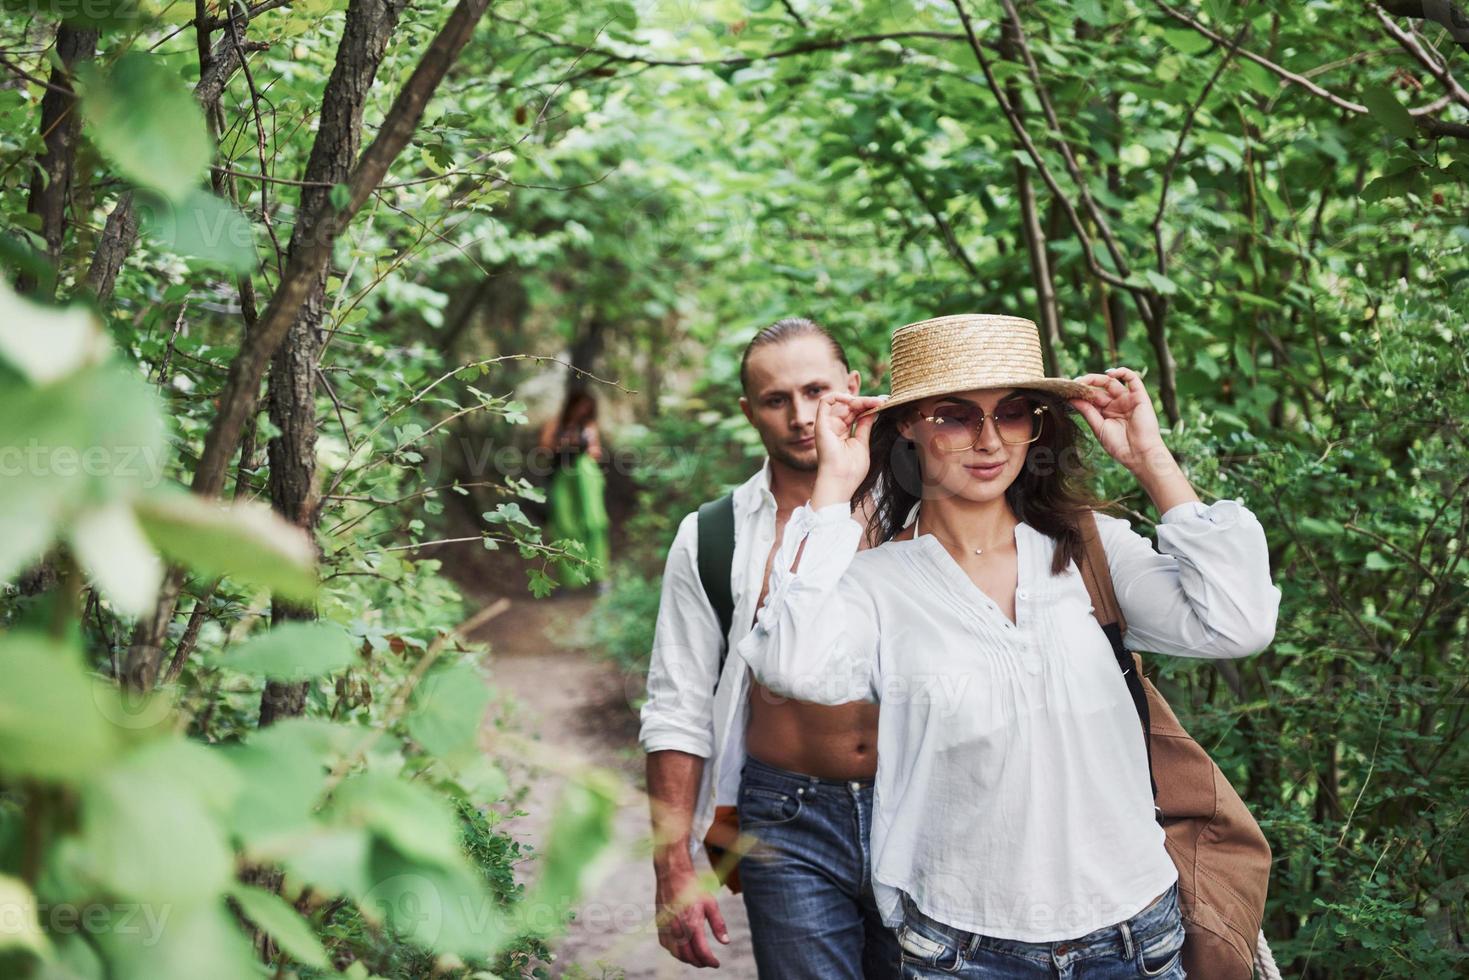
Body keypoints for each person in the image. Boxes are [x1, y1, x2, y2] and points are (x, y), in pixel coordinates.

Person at [737, 313, 1282, 979]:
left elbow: (1238, 621)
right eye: (955, 415)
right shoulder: (874, 584)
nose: (989, 439)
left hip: (1134, 941)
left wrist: (1148, 459)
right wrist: (831, 489)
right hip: (962, 953)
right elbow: (791, 663)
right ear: (905, 424)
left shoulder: (1087, 551)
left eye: (1013, 412)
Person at [639, 317, 901, 977]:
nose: (801, 416)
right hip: (784, 818)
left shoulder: (921, 511)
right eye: (775, 400)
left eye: (816, 391)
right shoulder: (712, 535)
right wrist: (673, 870)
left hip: (921, 805)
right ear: (747, 412)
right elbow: (677, 702)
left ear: (854, 387)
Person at [538, 390, 610, 589]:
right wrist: (562, 444)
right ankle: (570, 579)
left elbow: (596, 451)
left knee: (593, 522)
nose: (583, 410)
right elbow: (544, 447)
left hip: (585, 475)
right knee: (565, 525)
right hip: (562, 474)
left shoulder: (589, 426)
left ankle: (598, 576)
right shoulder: (556, 424)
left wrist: (583, 446)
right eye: (581, 405)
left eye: (587, 407)